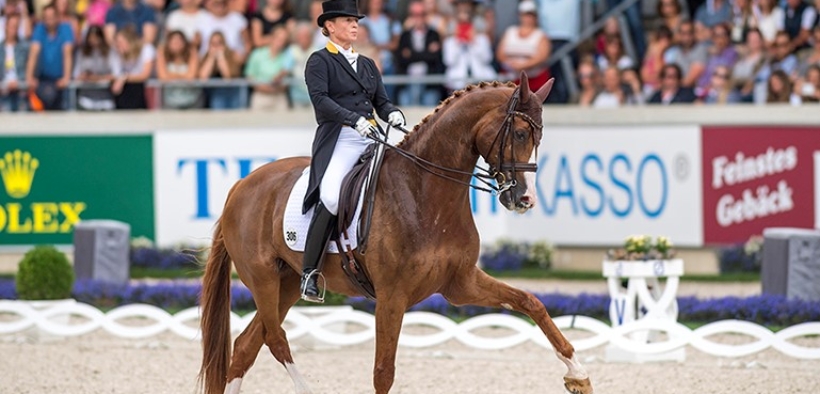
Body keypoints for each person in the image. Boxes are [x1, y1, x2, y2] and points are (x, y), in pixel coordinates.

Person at [300, 0, 405, 303]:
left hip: (372, 134)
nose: (355, 25)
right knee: (332, 196)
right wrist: (354, 120)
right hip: (342, 138)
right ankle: (309, 272)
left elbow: (381, 102)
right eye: (347, 20)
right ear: (329, 26)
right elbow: (320, 101)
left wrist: (393, 113)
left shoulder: (368, 63)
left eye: (355, 20)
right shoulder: (320, 61)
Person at [25, 4, 74, 110]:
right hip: (43, 79)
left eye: (51, 17)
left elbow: (67, 53)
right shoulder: (39, 29)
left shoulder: (65, 28)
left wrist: (66, 78)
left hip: (59, 80)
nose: (48, 21)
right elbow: (34, 52)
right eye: (46, 18)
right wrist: (29, 77)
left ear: (57, 17)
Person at [395, 0, 443, 106]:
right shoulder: (405, 36)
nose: (419, 18)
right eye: (415, 14)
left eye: (422, 14)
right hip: (408, 82)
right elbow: (401, 59)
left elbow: (435, 58)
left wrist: (411, 54)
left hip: (429, 83)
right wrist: (426, 53)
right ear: (411, 16)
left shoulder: (433, 34)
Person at [495, 0, 550, 92]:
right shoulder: (510, 31)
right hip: (510, 77)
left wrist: (523, 66)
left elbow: (542, 57)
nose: (527, 18)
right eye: (525, 14)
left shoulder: (540, 35)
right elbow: (500, 53)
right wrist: (512, 65)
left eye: (530, 15)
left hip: (533, 79)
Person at [245, 24, 292, 110]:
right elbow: (250, 75)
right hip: (260, 96)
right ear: (272, 38)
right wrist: (263, 88)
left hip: (279, 96)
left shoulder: (287, 56)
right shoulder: (257, 54)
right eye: (279, 39)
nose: (281, 42)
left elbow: (288, 77)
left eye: (284, 40)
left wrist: (277, 87)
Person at [73, 24, 117, 110]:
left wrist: (97, 78)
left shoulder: (110, 52)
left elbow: (116, 74)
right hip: (86, 99)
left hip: (105, 100)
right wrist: (85, 76)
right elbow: (76, 74)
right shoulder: (82, 53)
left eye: (96, 38)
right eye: (91, 38)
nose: (93, 41)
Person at [110, 27, 154, 109]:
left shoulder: (146, 49)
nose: (118, 45)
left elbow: (145, 75)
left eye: (121, 42)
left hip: (143, 91)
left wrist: (124, 78)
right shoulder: (116, 52)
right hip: (124, 93)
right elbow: (116, 75)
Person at [157, 29, 201, 109]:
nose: (176, 44)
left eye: (179, 41)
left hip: (192, 100)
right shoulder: (163, 53)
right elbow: (163, 77)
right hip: (170, 101)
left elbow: (191, 77)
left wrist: (170, 75)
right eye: (173, 41)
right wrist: (184, 76)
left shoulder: (192, 53)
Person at [0, 12, 28, 112]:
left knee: (23, 111)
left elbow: (29, 70)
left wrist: (20, 81)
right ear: (6, 26)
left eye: (16, 27)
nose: (14, 30)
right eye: (12, 26)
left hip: (21, 89)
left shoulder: (24, 48)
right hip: (3, 91)